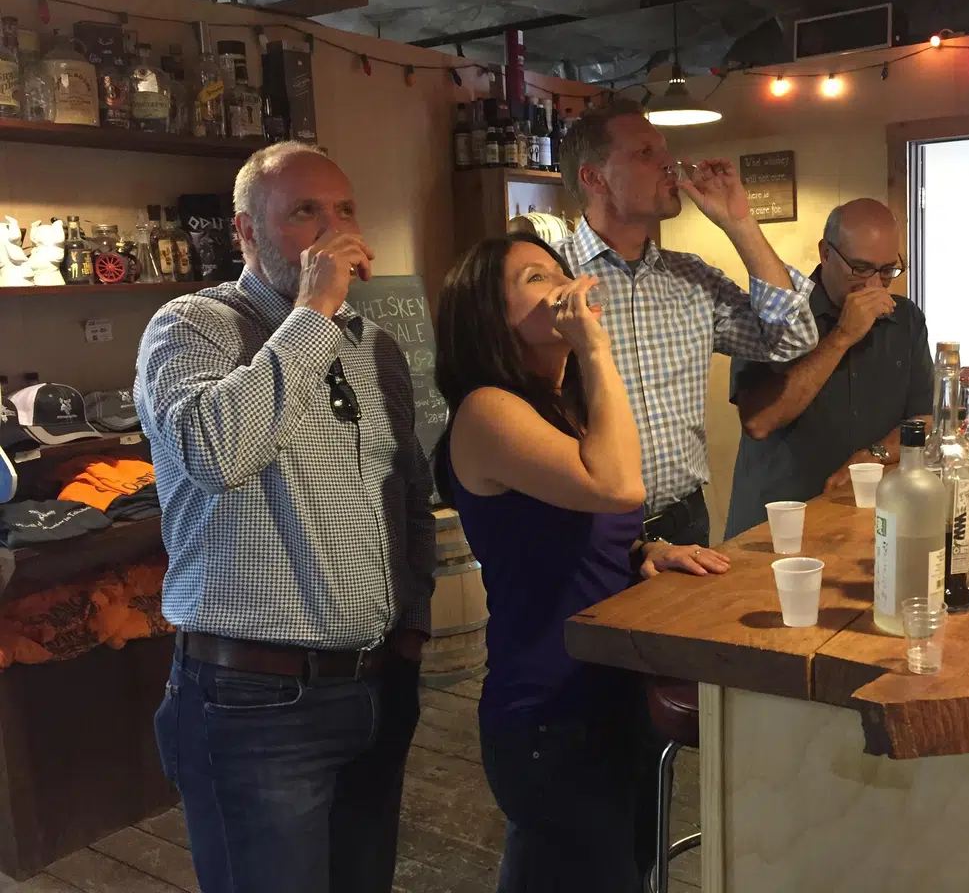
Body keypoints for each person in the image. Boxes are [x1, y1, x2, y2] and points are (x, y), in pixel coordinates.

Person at [135, 142, 434, 893]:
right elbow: (216, 451)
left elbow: (409, 495)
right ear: (246, 230)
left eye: (344, 211)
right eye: (305, 212)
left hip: (374, 687)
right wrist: (312, 313)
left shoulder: (378, 348)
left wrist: (412, 631)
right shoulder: (192, 326)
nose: (335, 232)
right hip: (254, 706)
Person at [432, 233, 730, 892]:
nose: (567, 288)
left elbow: (585, 520)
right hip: (550, 710)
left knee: (603, 870)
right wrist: (596, 347)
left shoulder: (564, 408)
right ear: (489, 314)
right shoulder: (486, 411)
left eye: (561, 272)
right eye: (537, 279)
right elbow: (619, 485)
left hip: (610, 691)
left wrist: (648, 550)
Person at [557, 100, 818, 547]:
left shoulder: (691, 277)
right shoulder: (550, 276)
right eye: (645, 154)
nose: (669, 164)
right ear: (593, 177)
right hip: (583, 529)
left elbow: (792, 337)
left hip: (684, 525)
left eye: (665, 151)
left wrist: (738, 222)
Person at [724, 198, 934, 539]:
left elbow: (923, 420)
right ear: (825, 253)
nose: (874, 285)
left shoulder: (905, 319)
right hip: (778, 522)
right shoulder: (776, 312)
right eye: (861, 268)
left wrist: (873, 456)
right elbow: (759, 422)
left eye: (887, 271)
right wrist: (842, 337)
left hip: (867, 515)